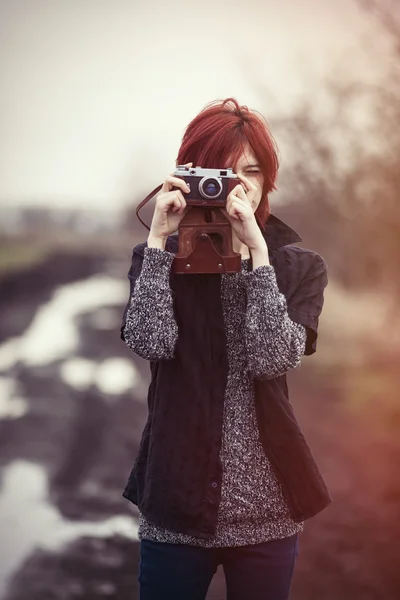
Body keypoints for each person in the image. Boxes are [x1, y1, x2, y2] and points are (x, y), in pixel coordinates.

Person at [120, 98, 332, 600]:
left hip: (270, 510)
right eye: (221, 172)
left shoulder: (298, 266)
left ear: (269, 180)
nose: (238, 186)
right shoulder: (155, 258)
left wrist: (257, 255)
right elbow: (150, 340)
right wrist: (158, 242)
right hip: (176, 504)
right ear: (188, 176)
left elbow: (272, 358)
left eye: (251, 171)